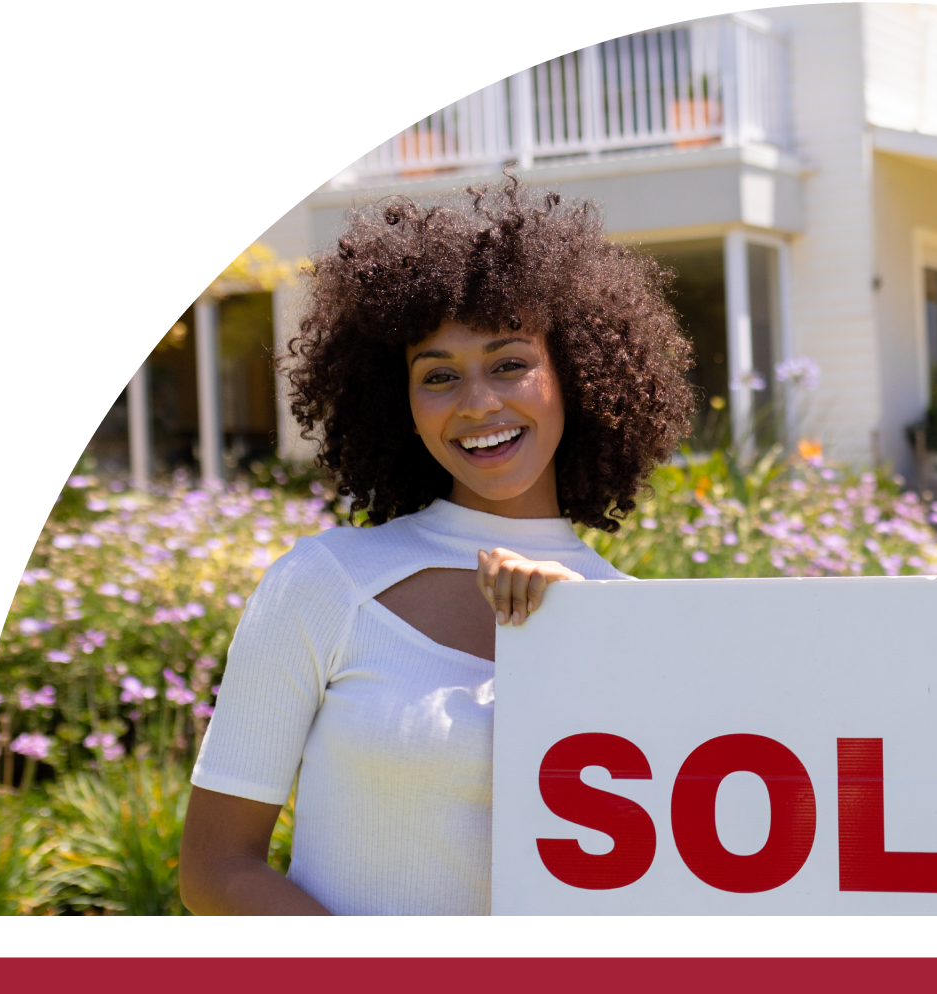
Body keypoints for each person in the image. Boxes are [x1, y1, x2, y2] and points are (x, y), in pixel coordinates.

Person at [180, 180, 696, 915]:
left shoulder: (637, 620)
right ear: (402, 405)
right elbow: (215, 869)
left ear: (576, 374)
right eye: (439, 375)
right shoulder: (324, 585)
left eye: (510, 362)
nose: (479, 402)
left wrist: (586, 632)